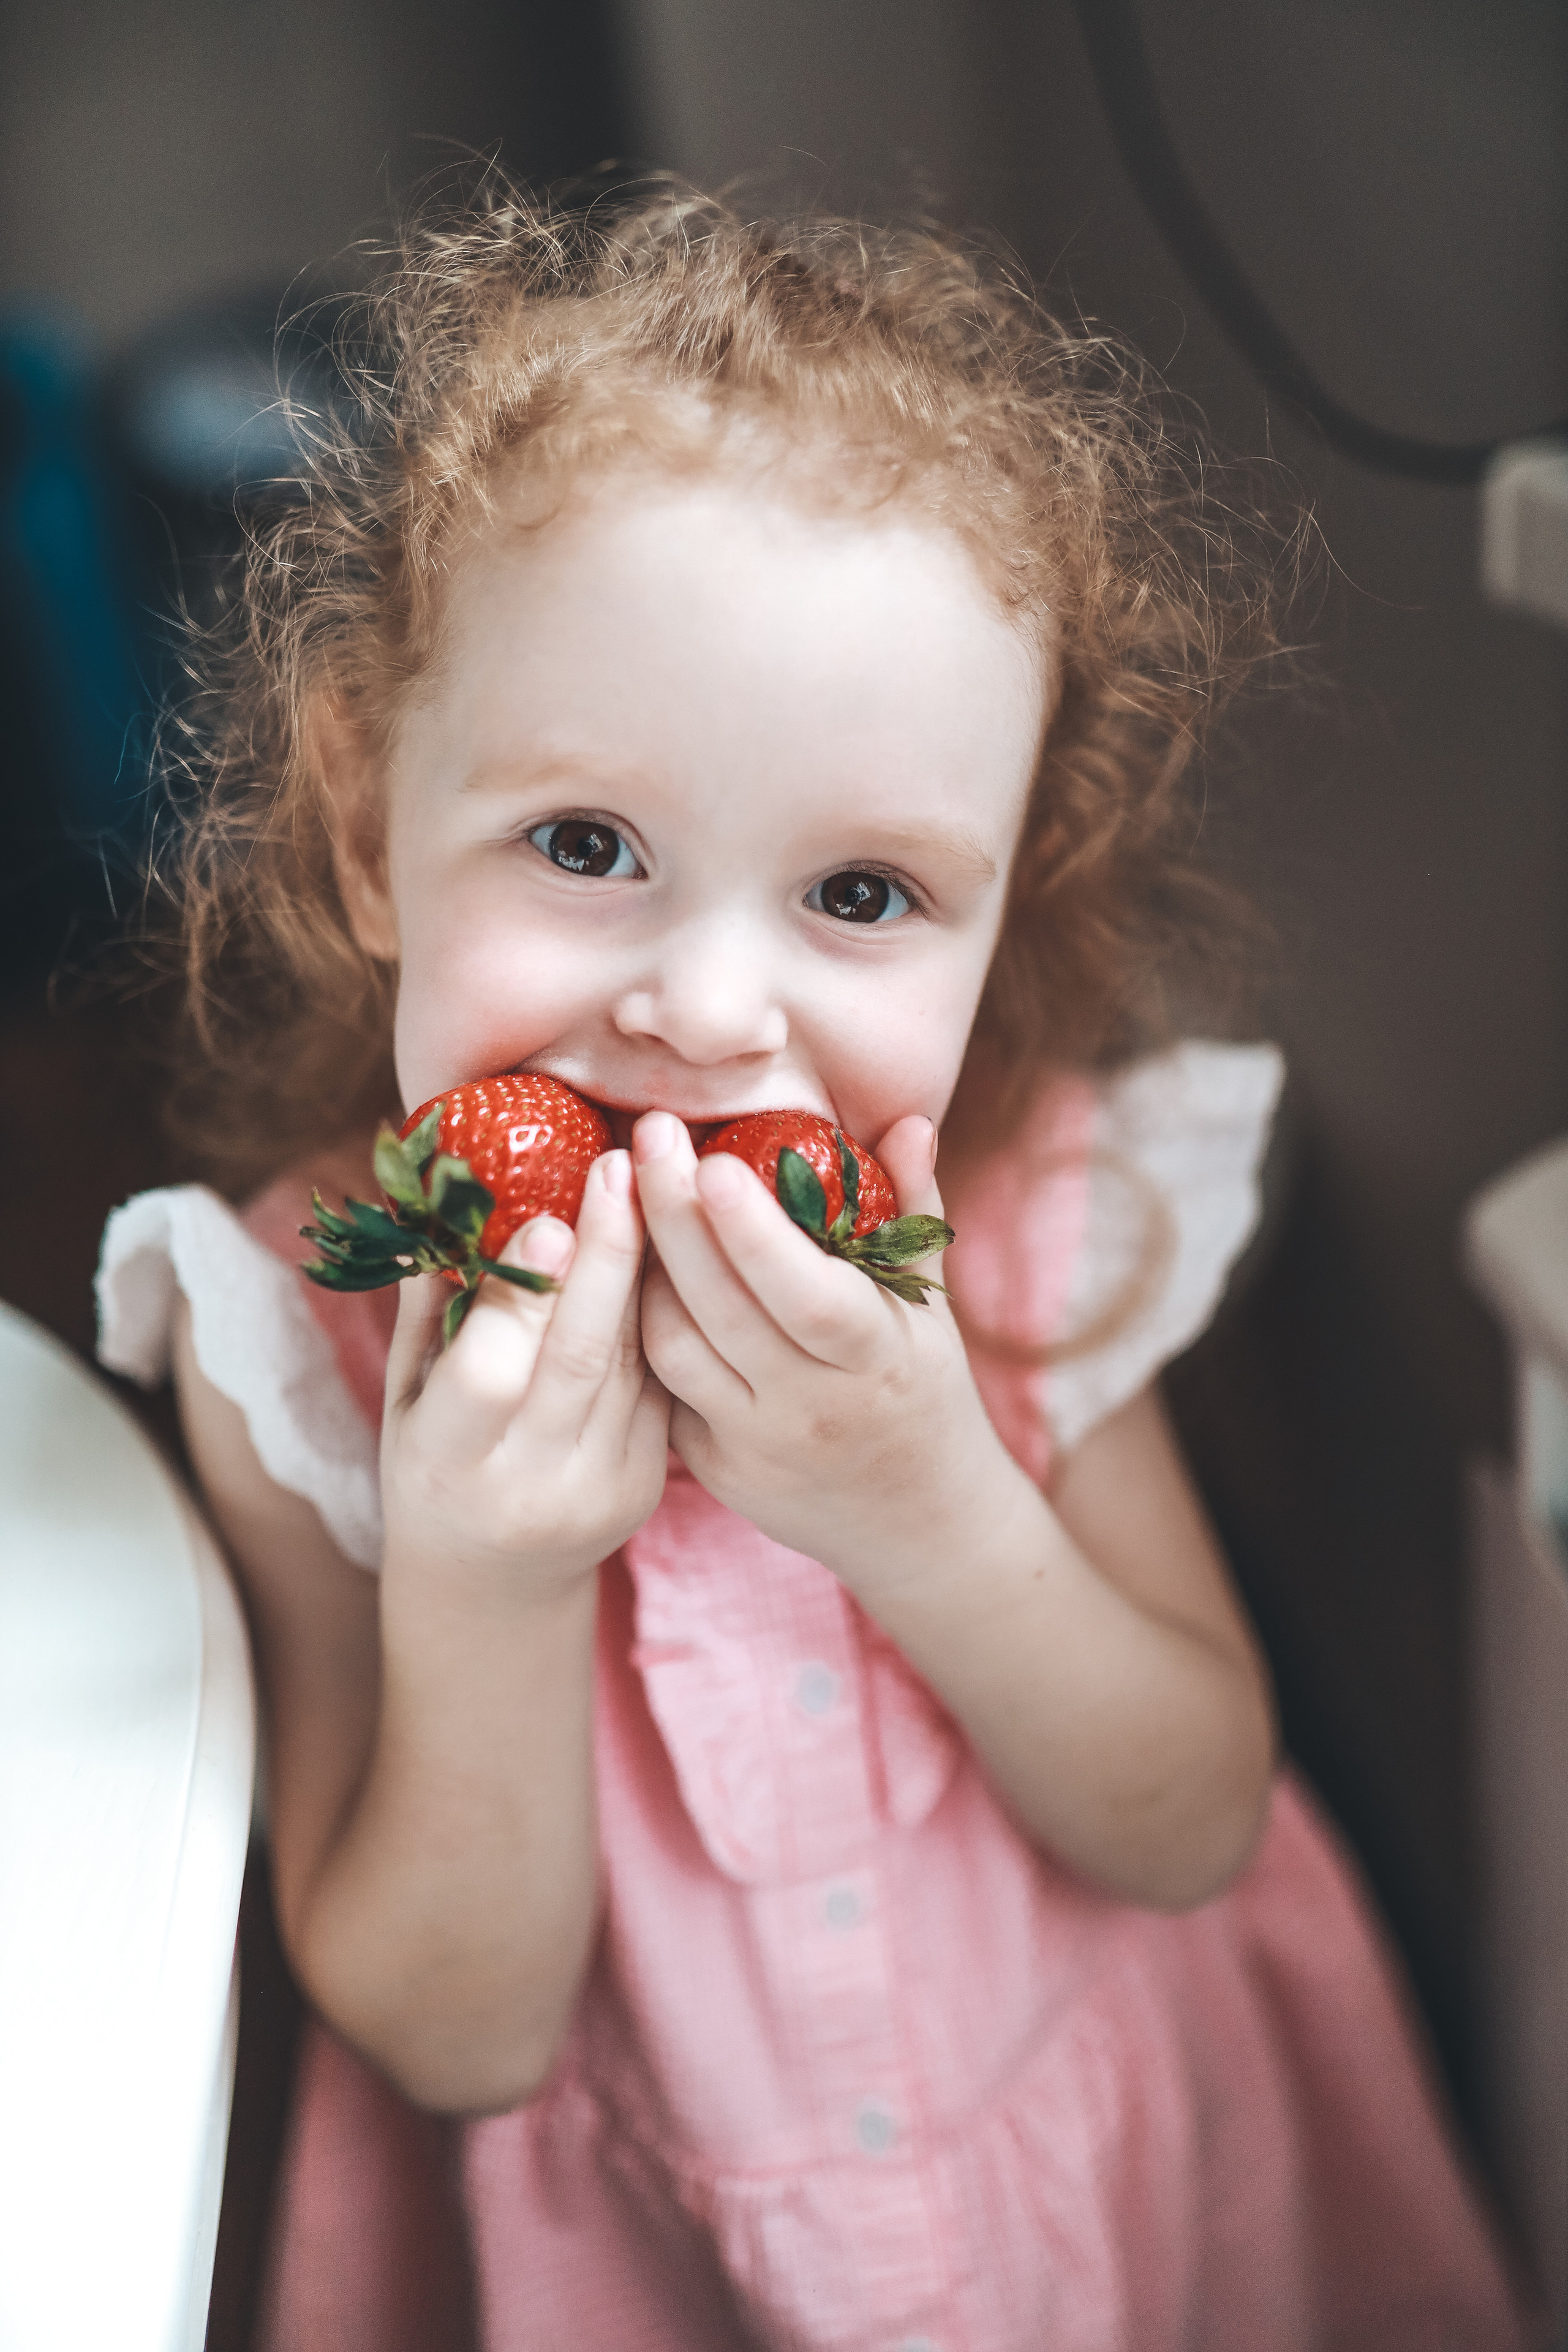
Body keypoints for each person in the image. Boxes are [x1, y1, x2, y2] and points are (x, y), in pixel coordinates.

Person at [97, 181, 1530, 2350]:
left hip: (1127, 2224)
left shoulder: (1042, 1222)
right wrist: (479, 1582)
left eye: (862, 893)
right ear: (367, 813)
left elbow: (1189, 1820)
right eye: (585, 849)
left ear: (1004, 894)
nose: (705, 1008)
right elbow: (453, 2034)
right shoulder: (289, 1331)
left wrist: (929, 1506)